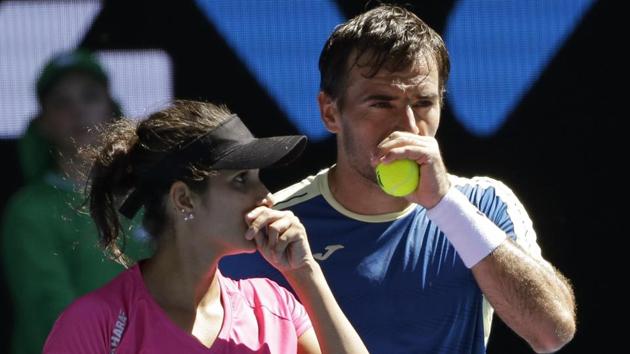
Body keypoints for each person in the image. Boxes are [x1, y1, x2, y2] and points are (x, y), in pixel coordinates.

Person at [220, 4, 577, 353]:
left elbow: (552, 333)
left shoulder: (484, 205)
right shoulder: (274, 231)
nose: (407, 126)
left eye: (423, 103)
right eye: (381, 103)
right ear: (330, 112)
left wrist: (444, 204)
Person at [43, 100, 369, 354]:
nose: (266, 196)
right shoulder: (95, 323)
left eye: (259, 179)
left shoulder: (275, 306)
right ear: (184, 199)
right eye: (241, 180)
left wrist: (306, 274)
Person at [1, 49, 150, 354]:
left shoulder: (150, 198)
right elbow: (49, 308)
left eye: (90, 96)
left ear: (112, 112)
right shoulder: (28, 211)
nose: (78, 110)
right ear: (42, 123)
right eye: (61, 102)